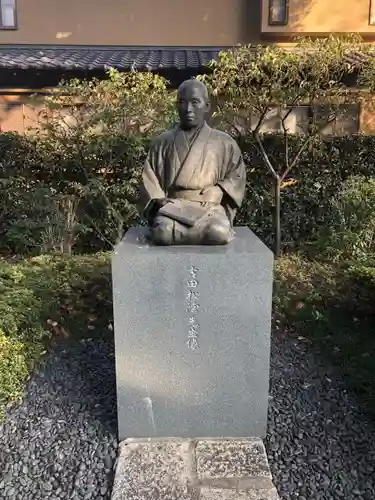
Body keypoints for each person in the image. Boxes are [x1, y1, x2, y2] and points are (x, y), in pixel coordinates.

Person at [138, 79, 246, 245]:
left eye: (195, 102)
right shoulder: (163, 141)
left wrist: (220, 189)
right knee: (162, 233)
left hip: (208, 207)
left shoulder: (225, 142)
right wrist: (159, 198)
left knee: (219, 233)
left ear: (207, 106)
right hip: (173, 207)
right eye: (182, 102)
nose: (188, 109)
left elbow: (236, 175)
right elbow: (149, 175)